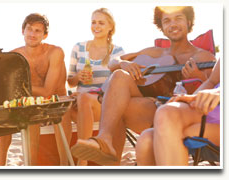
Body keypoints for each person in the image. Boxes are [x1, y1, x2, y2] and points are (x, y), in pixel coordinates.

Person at [71, 6, 217, 165]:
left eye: (178, 18)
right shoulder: (155, 52)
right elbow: (114, 63)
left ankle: (110, 162)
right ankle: (104, 138)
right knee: (119, 75)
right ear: (162, 27)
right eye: (167, 21)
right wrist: (124, 63)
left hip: (183, 115)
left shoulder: (203, 56)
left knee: (117, 107)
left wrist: (199, 77)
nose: (172, 24)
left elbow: (215, 91)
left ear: (189, 22)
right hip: (152, 108)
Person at [0, 13, 69, 166]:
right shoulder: (14, 55)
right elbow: (7, 89)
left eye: (37, 31)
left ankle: (65, 166)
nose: (32, 34)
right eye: (29, 29)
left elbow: (48, 91)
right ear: (23, 31)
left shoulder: (55, 52)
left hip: (56, 102)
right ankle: (2, 166)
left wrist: (20, 87)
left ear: (45, 35)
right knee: (9, 111)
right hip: (32, 103)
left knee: (58, 105)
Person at [57, 8, 124, 166]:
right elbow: (70, 82)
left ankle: (82, 161)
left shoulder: (117, 52)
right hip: (80, 103)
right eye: (93, 22)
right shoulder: (78, 48)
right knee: (60, 106)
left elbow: (118, 85)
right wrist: (78, 77)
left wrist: (84, 95)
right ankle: (63, 163)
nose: (96, 26)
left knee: (85, 98)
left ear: (110, 27)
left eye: (101, 23)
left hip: (103, 104)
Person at [135, 59, 220, 166]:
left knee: (169, 121)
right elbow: (211, 81)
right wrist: (191, 99)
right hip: (208, 109)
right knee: (147, 139)